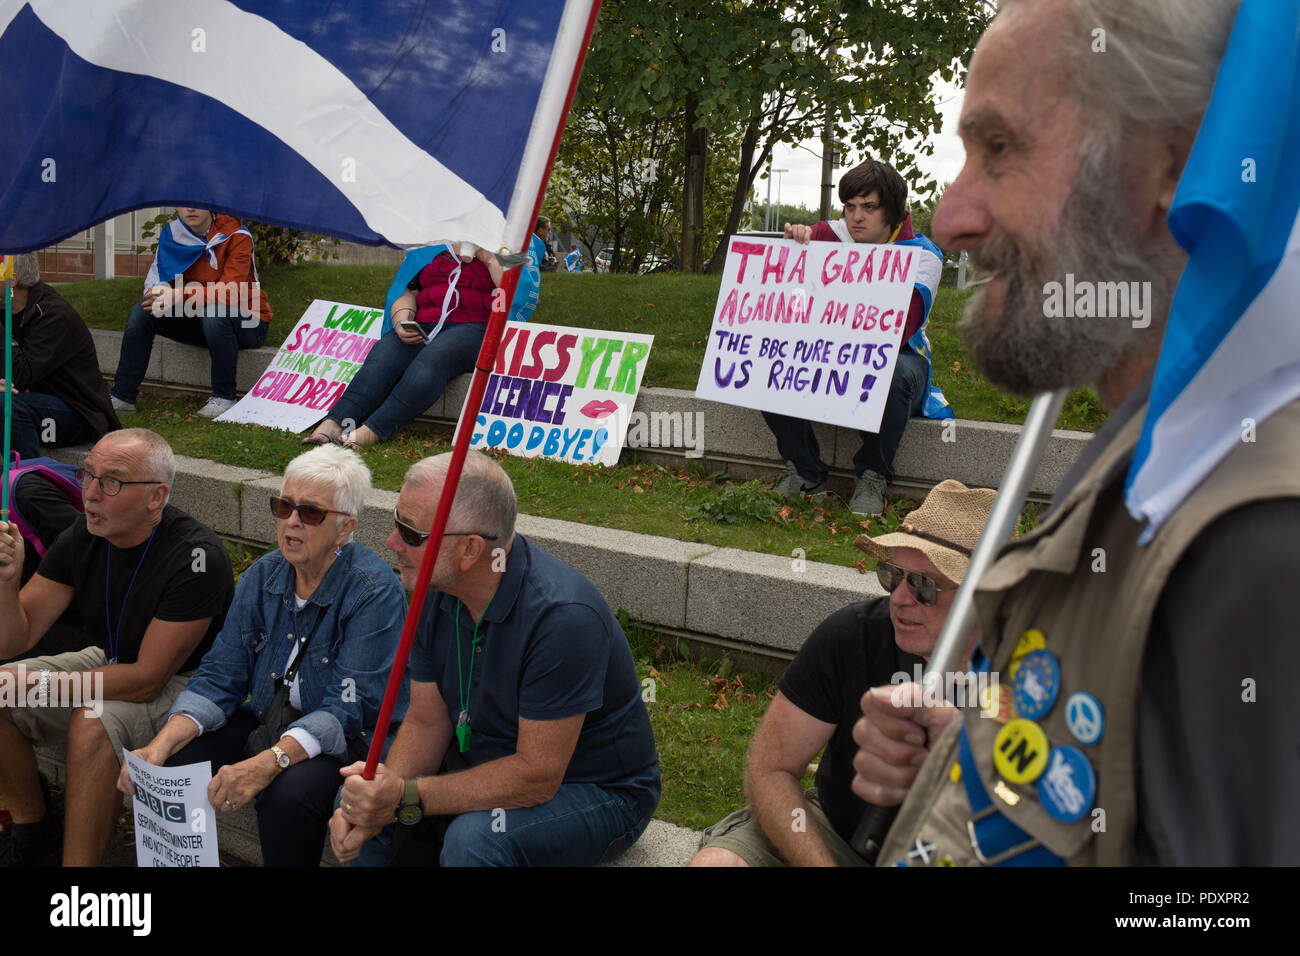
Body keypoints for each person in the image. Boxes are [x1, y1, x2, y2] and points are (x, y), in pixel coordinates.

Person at [857, 0, 1300, 866]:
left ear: (1171, 163)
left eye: (1000, 149)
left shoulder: (1262, 540)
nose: (951, 217)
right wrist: (972, 762)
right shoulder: (1166, 443)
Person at [328, 450, 660, 866]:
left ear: (469, 550)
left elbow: (536, 777)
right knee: (359, 796)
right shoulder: (436, 591)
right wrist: (384, 791)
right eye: (397, 523)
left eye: (410, 533)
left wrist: (406, 795)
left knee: (478, 838)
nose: (392, 542)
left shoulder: (563, 619)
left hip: (596, 791)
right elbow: (428, 720)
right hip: (486, 758)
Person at [117, 444, 408, 866]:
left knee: (287, 794)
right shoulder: (264, 574)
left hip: (348, 741)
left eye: (310, 513)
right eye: (283, 505)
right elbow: (219, 676)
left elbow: (347, 710)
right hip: (269, 720)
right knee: (171, 768)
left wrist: (266, 763)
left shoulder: (373, 590)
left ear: (345, 528)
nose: (291, 521)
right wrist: (157, 749)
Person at [690, 480, 996, 866]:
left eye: (923, 585)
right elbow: (772, 769)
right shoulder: (852, 636)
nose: (899, 598)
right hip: (840, 837)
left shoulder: (1039, 671)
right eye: (893, 574)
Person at [0, 429, 232, 866]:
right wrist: (7, 584)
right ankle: (33, 831)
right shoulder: (82, 534)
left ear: (156, 496)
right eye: (88, 474)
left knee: (93, 723)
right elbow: (15, 638)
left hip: (186, 682)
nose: (90, 493)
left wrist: (35, 687)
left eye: (113, 481)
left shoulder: (196, 557)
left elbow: (146, 680)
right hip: (111, 660)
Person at [768, 160, 952, 515]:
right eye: (850, 206)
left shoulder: (923, 255)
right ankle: (804, 470)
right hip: (832, 351)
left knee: (894, 370)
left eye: (869, 207)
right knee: (768, 354)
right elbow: (783, 276)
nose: (856, 217)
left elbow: (898, 332)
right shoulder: (833, 234)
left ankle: (873, 475)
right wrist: (797, 238)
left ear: (894, 211)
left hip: (900, 357)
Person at [303, 242, 502, 449]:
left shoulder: (507, 248)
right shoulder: (432, 248)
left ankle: (373, 429)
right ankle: (336, 423)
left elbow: (514, 291)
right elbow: (407, 293)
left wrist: (488, 258)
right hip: (424, 323)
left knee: (434, 358)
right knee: (383, 357)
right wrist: (401, 320)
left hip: (474, 327)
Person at [110, 206, 272, 419]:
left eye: (198, 202)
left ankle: (224, 397)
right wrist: (159, 291)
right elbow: (158, 277)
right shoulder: (173, 234)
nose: (191, 208)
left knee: (215, 313)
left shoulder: (237, 235)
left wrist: (179, 295)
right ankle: (123, 395)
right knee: (142, 313)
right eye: (184, 202)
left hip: (248, 321)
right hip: (200, 317)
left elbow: (230, 293)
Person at [1, 253, 120, 459]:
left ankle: (26, 483)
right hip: (31, 400)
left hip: (75, 414)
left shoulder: (53, 315)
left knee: (4, 404)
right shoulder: (5, 308)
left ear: (12, 279)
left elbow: (20, 376)